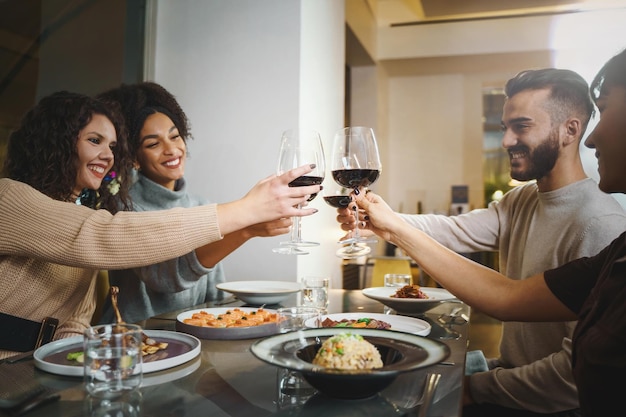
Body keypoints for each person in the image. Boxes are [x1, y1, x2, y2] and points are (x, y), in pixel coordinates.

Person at [352, 48, 626, 417]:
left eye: (522, 127)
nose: (506, 141)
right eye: (505, 128)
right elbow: (453, 232)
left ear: (570, 130)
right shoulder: (522, 199)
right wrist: (380, 219)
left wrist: (472, 387)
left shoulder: (602, 224)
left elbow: (571, 379)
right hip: (509, 380)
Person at [0, 91, 320, 360]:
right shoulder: (9, 198)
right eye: (94, 140)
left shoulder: (81, 210)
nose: (108, 156)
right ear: (57, 141)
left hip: (34, 370)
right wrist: (245, 211)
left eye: (112, 147)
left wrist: (61, 369)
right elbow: (106, 236)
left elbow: (75, 322)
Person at [96, 82, 291, 323]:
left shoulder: (202, 205)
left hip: (191, 339)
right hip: (133, 342)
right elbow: (168, 278)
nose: (171, 149)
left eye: (175, 136)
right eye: (153, 144)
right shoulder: (125, 208)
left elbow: (213, 297)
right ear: (134, 158)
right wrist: (246, 228)